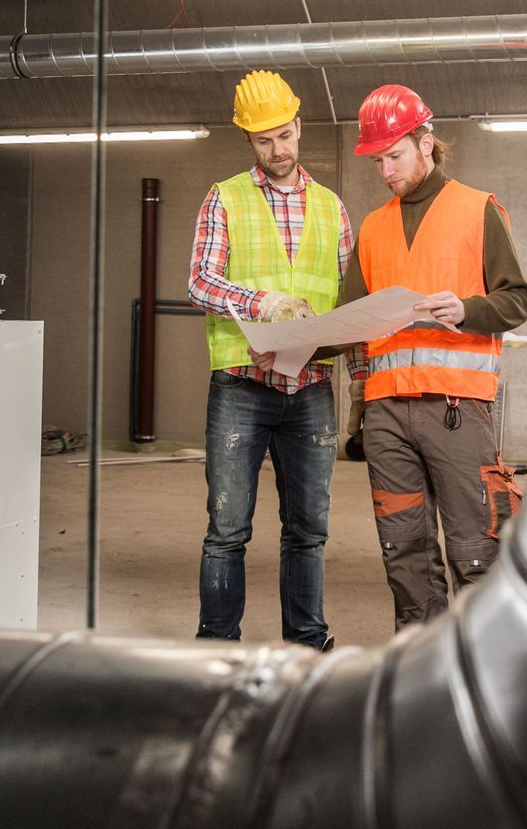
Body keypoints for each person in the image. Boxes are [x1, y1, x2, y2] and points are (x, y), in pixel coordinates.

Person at [346, 83, 527, 627]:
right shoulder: (374, 227)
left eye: (395, 155)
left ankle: (489, 668)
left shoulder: (478, 210)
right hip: (385, 416)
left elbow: (515, 301)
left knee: (475, 546)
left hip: (457, 410)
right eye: (378, 159)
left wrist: (467, 309)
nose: (386, 171)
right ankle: (422, 667)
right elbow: (349, 318)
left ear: (426, 143)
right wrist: (289, 342)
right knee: (404, 552)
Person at [186, 70, 352, 650]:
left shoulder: (332, 207)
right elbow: (200, 282)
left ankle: (307, 641)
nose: (277, 150)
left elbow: (348, 298)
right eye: (264, 141)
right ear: (248, 142)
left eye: (284, 136)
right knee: (227, 530)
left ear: (299, 127)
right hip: (241, 386)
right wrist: (262, 301)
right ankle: (216, 646)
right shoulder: (224, 196)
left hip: (309, 389)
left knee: (307, 530)